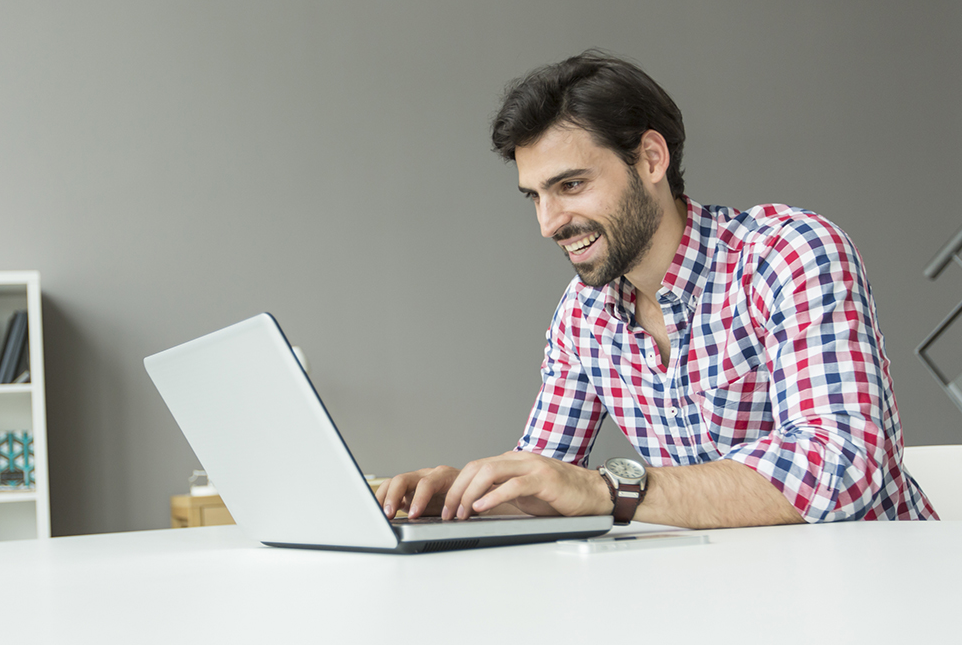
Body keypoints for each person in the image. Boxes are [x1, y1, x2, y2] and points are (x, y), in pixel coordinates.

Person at [377, 50, 937, 528]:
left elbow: (842, 467)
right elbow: (547, 477)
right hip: (737, 599)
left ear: (650, 159)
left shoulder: (786, 255)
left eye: (571, 185)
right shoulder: (582, 317)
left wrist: (609, 488)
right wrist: (464, 495)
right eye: (536, 196)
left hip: (882, 591)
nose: (548, 223)